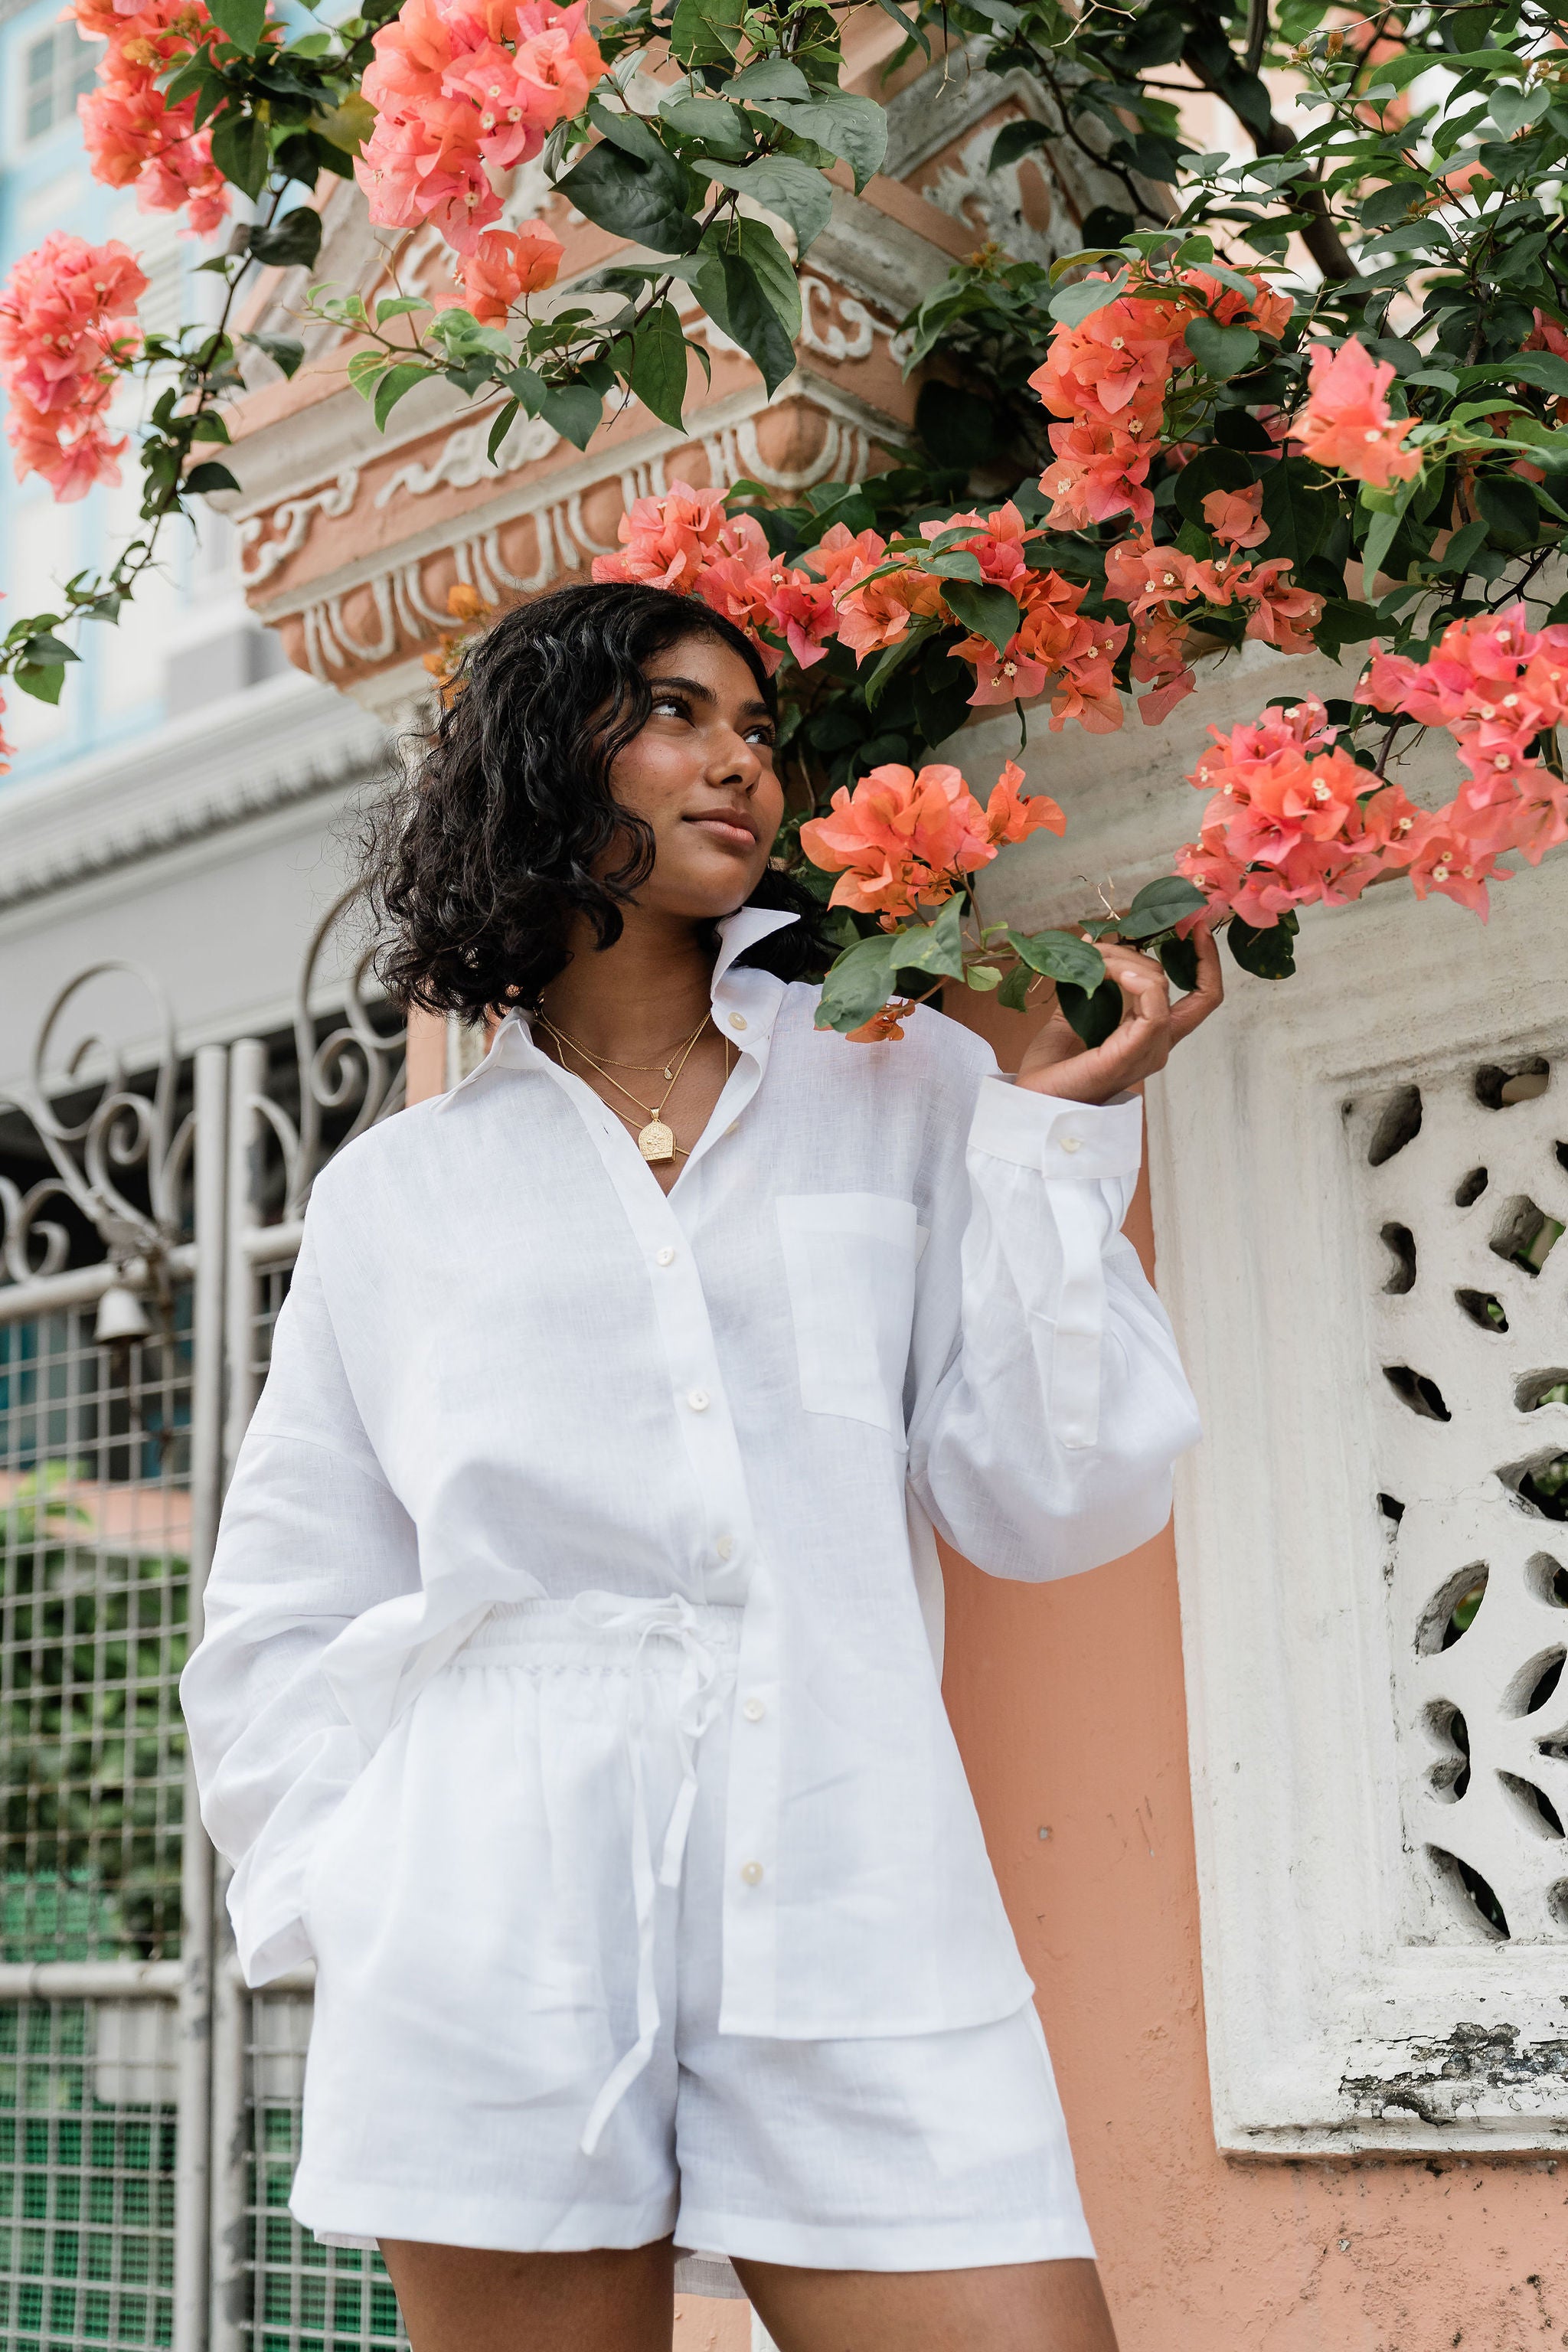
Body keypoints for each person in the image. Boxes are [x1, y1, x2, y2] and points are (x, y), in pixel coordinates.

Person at [181, 579, 1222, 2352]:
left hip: (847, 1887)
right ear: (542, 756)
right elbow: (286, 1604)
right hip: (487, 1941)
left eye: (756, 729)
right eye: (676, 713)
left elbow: (1050, 1502)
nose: (736, 762)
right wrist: (361, 1906)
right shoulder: (397, 1198)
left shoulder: (900, 1087)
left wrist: (1054, 1141)